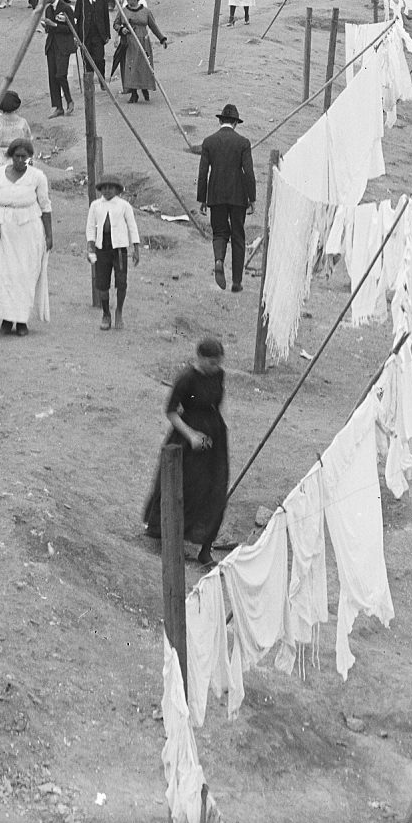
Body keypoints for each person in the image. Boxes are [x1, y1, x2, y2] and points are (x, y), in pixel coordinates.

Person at [143, 336, 232, 566]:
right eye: (212, 363)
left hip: (213, 439)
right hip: (188, 438)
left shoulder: (218, 374)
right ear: (200, 358)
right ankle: (173, 538)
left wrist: (218, 430)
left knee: (214, 490)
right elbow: (171, 411)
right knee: (186, 489)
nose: (216, 367)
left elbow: (218, 403)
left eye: (218, 363)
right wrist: (191, 435)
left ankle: (205, 547)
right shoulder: (187, 379)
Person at [0, 139, 54, 335]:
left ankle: (21, 320)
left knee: (24, 275)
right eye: (17, 156)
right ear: (11, 156)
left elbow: (45, 207)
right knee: (0, 273)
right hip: (1, 231)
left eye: (24, 157)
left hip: (28, 231)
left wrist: (49, 235)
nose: (21, 160)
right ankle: (6, 318)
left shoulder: (37, 177)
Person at [196, 104, 256, 292]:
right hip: (238, 196)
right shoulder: (243, 143)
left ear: (220, 121)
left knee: (220, 232)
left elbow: (203, 172)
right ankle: (237, 282)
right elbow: (249, 173)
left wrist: (202, 198)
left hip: (216, 195)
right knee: (238, 236)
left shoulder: (209, 142)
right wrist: (252, 198)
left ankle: (219, 260)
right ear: (236, 123)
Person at [87, 176, 142, 331]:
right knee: (102, 284)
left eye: (111, 187)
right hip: (101, 248)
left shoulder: (124, 205)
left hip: (119, 249)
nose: (107, 190)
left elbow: (132, 226)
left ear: (118, 190)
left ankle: (119, 311)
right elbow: (91, 227)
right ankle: (106, 313)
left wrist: (136, 248)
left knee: (121, 282)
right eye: (104, 187)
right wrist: (90, 246)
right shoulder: (96, 205)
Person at [114, 0, 168, 102]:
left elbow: (153, 27)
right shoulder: (123, 11)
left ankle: (144, 88)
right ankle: (134, 94)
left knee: (144, 67)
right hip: (130, 43)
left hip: (143, 42)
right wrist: (121, 29)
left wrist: (162, 39)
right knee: (131, 67)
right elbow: (116, 24)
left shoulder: (146, 12)